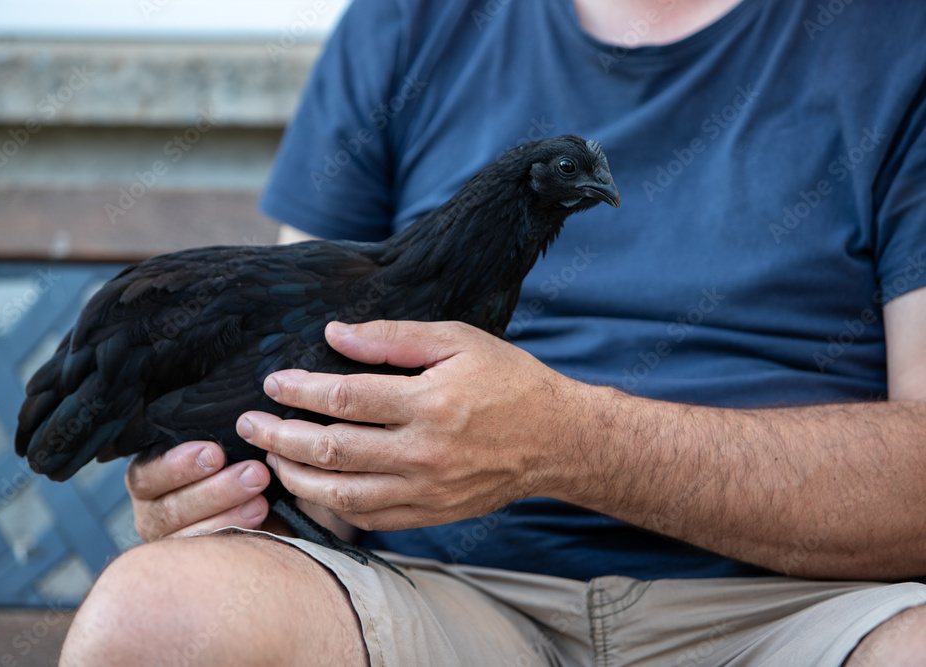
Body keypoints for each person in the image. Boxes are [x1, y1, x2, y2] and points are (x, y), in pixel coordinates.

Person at [59, 1, 926, 664]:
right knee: (154, 617)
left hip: (806, 606)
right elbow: (298, 357)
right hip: (440, 591)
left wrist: (567, 443)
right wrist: (245, 482)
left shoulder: (899, 38)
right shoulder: (412, 19)